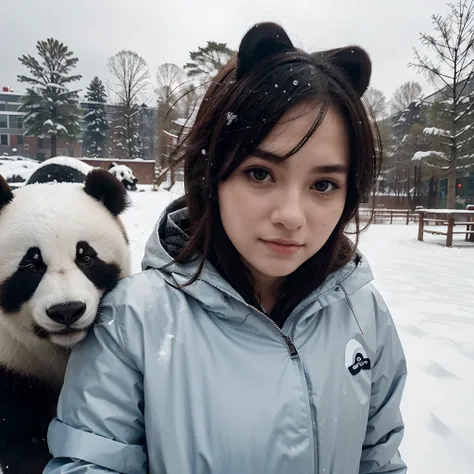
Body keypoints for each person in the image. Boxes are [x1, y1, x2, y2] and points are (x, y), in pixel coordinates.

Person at [43, 21, 407, 474]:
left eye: (323, 184)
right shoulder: (133, 322)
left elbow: (380, 459)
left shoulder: (363, 314)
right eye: (260, 173)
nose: (292, 215)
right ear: (210, 173)